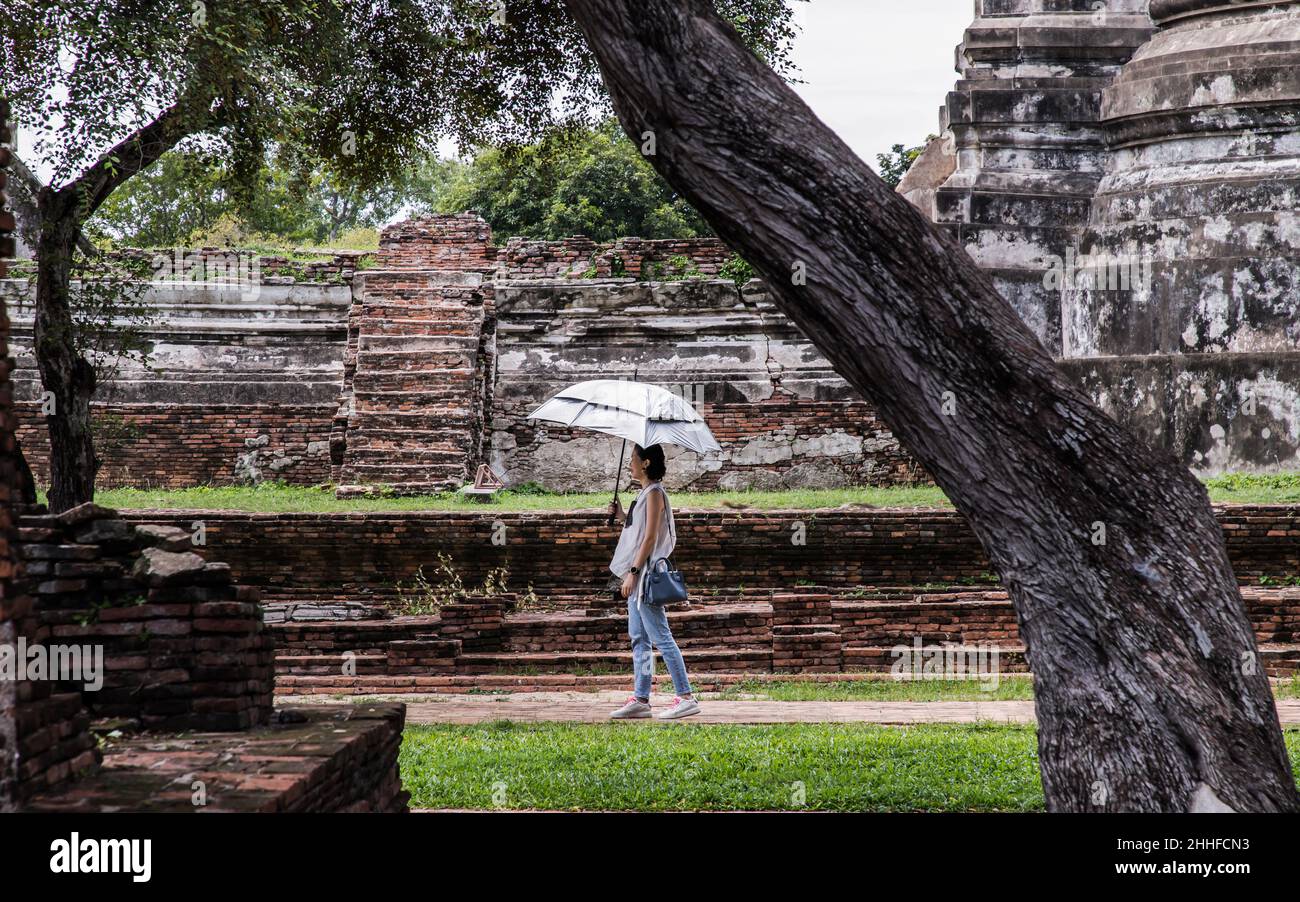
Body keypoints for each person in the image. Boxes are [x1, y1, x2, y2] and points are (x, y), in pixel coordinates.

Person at [606, 444, 699, 720]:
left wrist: (633, 572)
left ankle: (686, 696)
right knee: (640, 639)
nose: (630, 464)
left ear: (646, 463)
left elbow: (649, 539)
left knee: (661, 637)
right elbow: (637, 529)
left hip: (646, 577)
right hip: (639, 577)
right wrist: (621, 514)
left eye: (633, 460)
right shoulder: (644, 494)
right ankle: (642, 698)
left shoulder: (656, 493)